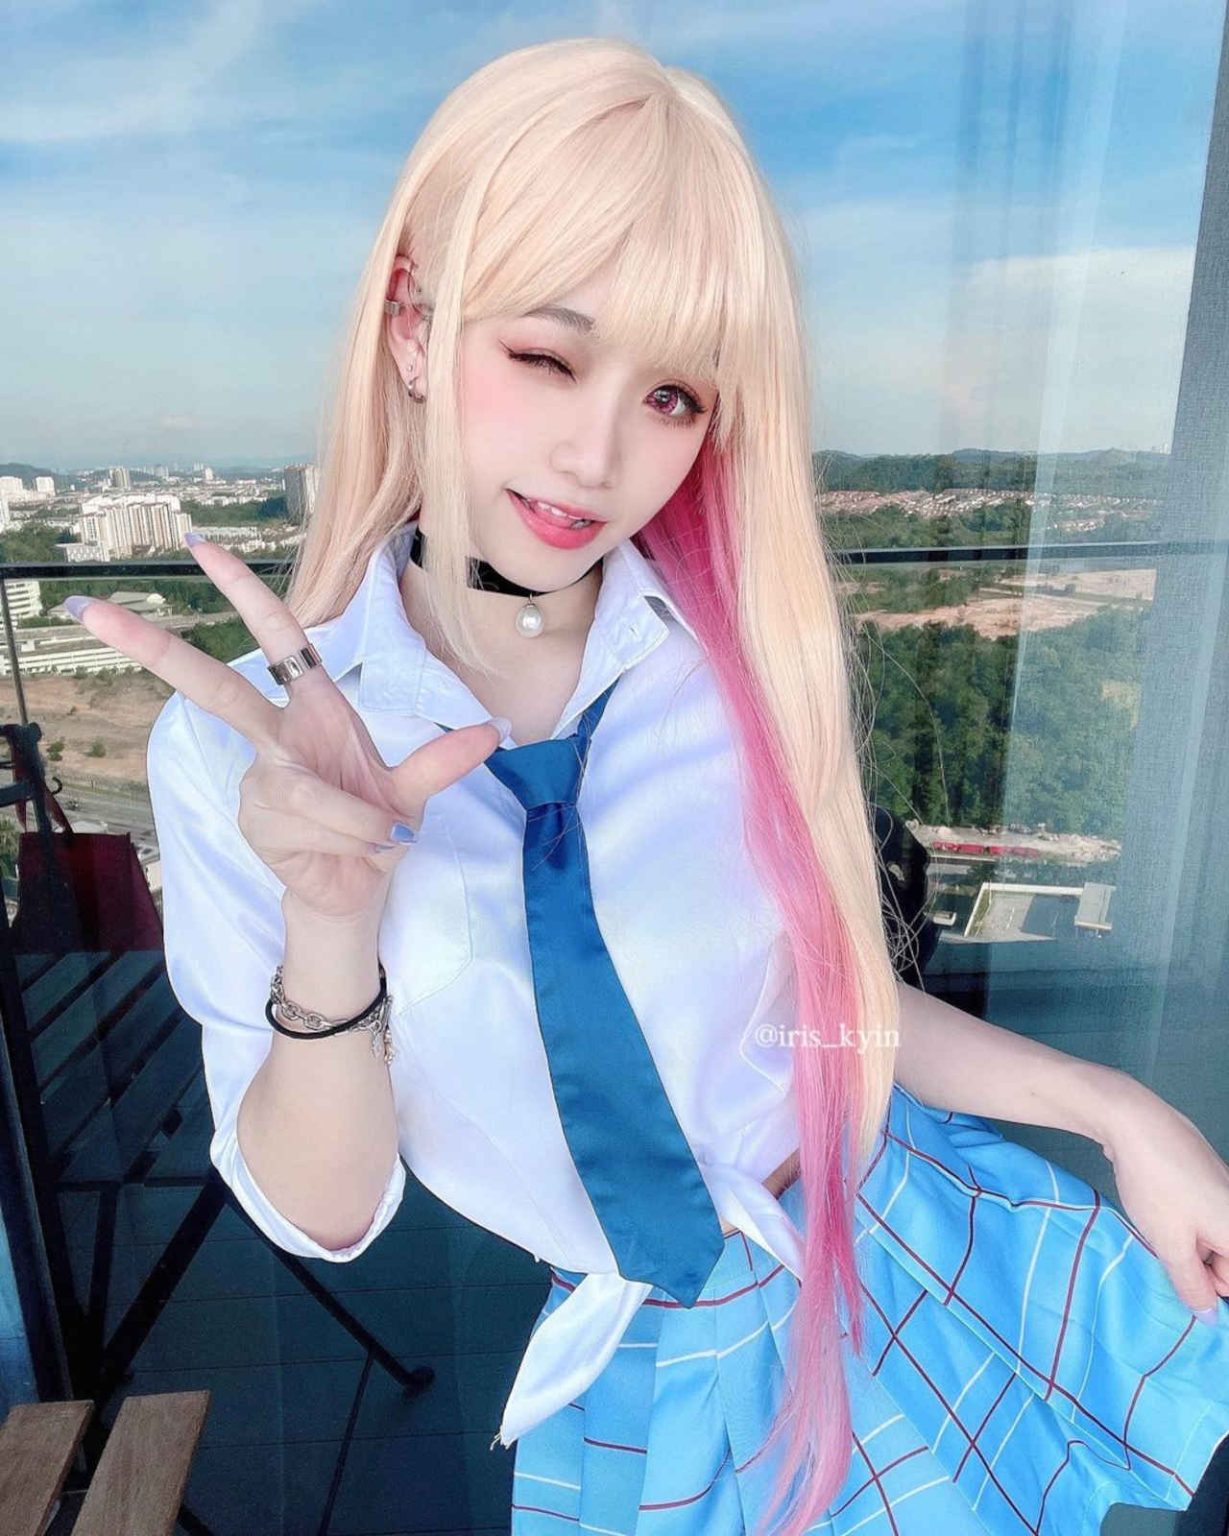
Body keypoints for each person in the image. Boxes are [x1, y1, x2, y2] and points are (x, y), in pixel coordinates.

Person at [64, 35, 1229, 1536]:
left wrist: (1120, 1112)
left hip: (890, 1238)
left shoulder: (736, 668)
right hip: (645, 1363)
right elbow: (325, 1213)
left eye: (673, 394)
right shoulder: (244, 753)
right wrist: (333, 919)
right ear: (413, 325)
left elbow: (823, 1014)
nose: (597, 453)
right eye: (546, 356)